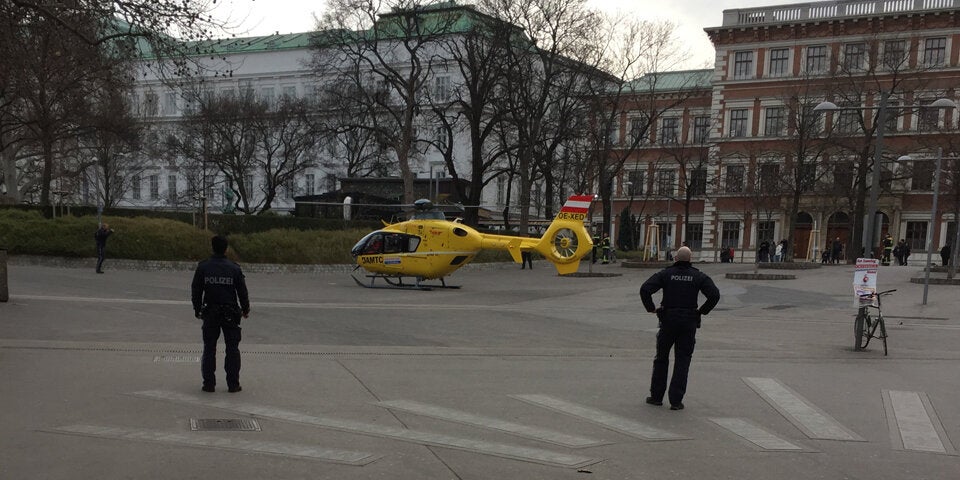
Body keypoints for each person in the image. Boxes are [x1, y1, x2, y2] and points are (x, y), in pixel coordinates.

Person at [640, 246, 720, 411]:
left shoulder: (666, 274)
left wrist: (651, 308)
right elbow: (714, 295)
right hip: (689, 322)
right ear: (690, 260)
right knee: (683, 360)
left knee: (661, 358)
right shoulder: (698, 276)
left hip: (668, 320)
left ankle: (656, 397)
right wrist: (702, 311)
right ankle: (676, 401)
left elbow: (645, 289)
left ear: (675, 259)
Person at [191, 235, 250, 393]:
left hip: (210, 312)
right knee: (232, 349)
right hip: (230, 313)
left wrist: (197, 309)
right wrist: (245, 309)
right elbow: (242, 292)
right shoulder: (234, 268)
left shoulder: (203, 267)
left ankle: (209, 384)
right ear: (226, 248)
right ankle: (233, 384)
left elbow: (196, 290)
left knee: (209, 348)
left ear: (212, 247)